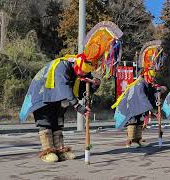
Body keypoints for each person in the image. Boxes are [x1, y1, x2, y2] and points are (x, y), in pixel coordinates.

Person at [19, 21, 123, 163]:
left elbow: (81, 90)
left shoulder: (80, 72)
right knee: (46, 122)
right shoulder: (62, 65)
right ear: (78, 62)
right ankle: (47, 150)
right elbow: (64, 87)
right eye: (81, 72)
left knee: (57, 123)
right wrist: (78, 106)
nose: (82, 75)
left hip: (58, 99)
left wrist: (94, 85)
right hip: (43, 95)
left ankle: (60, 150)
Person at [111, 40, 166, 147]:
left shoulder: (148, 84)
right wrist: (154, 110)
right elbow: (143, 98)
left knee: (139, 122)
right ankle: (130, 140)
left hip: (138, 108)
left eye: (154, 77)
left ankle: (137, 139)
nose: (153, 78)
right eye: (151, 76)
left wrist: (158, 93)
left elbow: (151, 95)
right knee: (133, 121)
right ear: (145, 74)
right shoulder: (139, 84)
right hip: (130, 106)